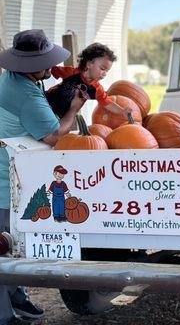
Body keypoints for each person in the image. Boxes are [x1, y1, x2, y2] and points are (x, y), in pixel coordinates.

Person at [0, 29, 86, 325]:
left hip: (12, 172)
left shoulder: (15, 78)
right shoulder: (24, 94)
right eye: (45, 63)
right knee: (4, 248)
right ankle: (3, 315)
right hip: (6, 179)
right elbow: (53, 135)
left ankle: (17, 298)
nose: (50, 68)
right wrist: (73, 111)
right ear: (28, 66)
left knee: (14, 243)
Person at [45, 42, 131, 119]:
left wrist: (122, 111)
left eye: (107, 71)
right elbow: (51, 69)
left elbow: (107, 103)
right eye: (102, 69)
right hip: (47, 100)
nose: (104, 73)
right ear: (89, 64)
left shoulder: (96, 89)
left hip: (61, 114)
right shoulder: (72, 73)